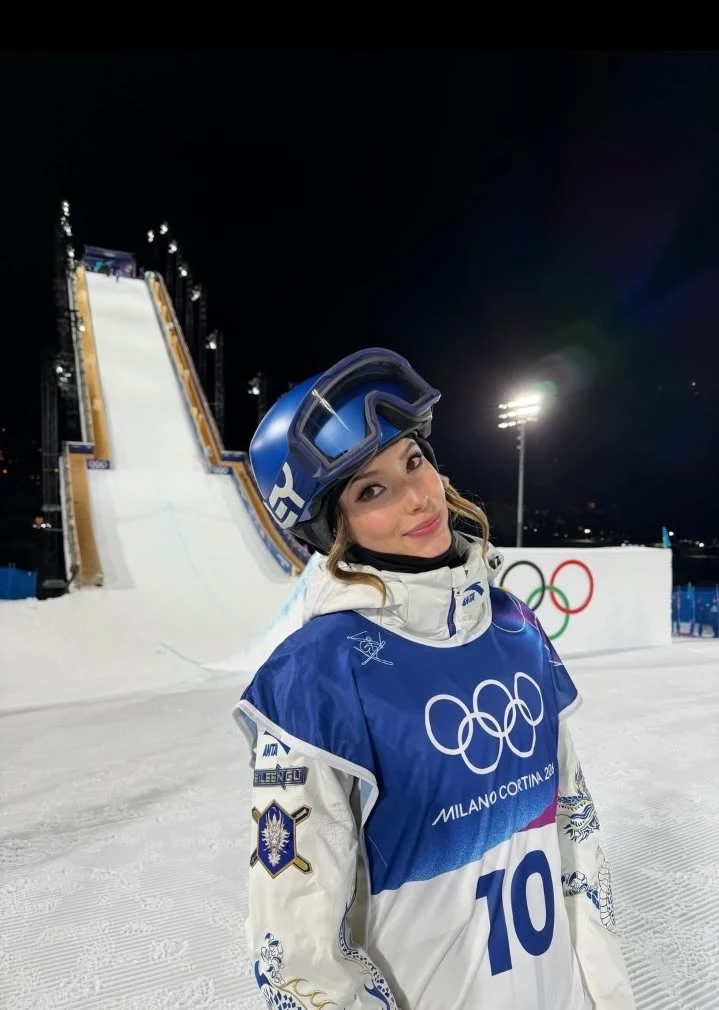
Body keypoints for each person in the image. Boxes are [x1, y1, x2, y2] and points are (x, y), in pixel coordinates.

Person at [234, 347, 635, 1010]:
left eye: (413, 461)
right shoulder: (314, 676)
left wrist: (604, 993)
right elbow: (297, 946)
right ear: (334, 528)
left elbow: (576, 836)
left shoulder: (515, 626)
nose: (418, 497)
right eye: (370, 491)